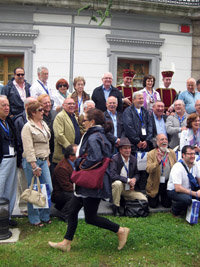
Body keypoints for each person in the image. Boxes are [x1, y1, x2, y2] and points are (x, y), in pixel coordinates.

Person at [48, 108, 130, 252]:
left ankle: (120, 230)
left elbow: (95, 158)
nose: (83, 123)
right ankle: (66, 242)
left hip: (90, 183)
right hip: (88, 183)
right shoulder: (99, 134)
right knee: (72, 211)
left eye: (84, 120)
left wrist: (80, 164)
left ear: (92, 122)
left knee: (90, 218)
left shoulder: (93, 136)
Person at [21, 101, 52, 226]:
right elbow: (28, 148)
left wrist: (48, 158)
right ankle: (34, 218)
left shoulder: (43, 124)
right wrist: (34, 166)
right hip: (33, 162)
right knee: (34, 190)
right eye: (40, 110)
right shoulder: (27, 127)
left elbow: (46, 143)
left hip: (44, 161)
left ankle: (45, 215)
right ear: (33, 113)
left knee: (48, 188)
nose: (43, 112)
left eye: (43, 110)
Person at [123, 91, 153, 190]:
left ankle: (142, 188)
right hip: (134, 145)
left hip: (145, 145)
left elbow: (150, 127)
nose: (141, 100)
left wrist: (147, 141)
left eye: (142, 98)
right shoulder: (128, 111)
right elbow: (128, 127)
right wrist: (137, 141)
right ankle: (133, 189)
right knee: (134, 167)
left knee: (144, 167)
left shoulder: (145, 111)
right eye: (139, 98)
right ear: (133, 100)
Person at [110, 137, 147, 216]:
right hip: (118, 187)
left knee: (144, 199)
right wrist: (127, 180)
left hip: (129, 188)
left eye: (129, 148)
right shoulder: (115, 159)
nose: (128, 150)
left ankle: (124, 201)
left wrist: (134, 180)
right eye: (125, 148)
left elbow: (137, 174)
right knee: (117, 183)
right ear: (120, 150)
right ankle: (115, 207)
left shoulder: (133, 159)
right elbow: (113, 175)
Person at [13, 97, 37, 214]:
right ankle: (23, 207)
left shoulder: (36, 119)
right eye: (34, 105)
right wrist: (20, 161)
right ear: (27, 107)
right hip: (23, 157)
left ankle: (33, 205)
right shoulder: (20, 120)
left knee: (32, 183)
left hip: (34, 157)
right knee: (23, 182)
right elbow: (18, 141)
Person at [0, 95, 19, 226]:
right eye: (3, 105)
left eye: (7, 105)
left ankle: (7, 217)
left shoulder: (9, 121)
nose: (7, 108)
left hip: (12, 159)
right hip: (2, 161)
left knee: (11, 189)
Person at [167, 145, 200, 216]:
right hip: (174, 191)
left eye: (194, 154)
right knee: (187, 200)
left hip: (189, 189)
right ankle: (174, 210)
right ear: (183, 155)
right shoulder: (178, 167)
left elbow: (199, 179)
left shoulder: (195, 164)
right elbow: (178, 188)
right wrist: (195, 194)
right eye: (190, 154)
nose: (193, 156)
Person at [146, 134, 176, 208]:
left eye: (166, 139)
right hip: (155, 182)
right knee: (153, 205)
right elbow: (148, 169)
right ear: (157, 142)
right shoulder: (151, 154)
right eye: (162, 139)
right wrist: (157, 163)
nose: (164, 141)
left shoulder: (171, 152)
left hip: (167, 182)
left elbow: (175, 167)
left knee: (167, 205)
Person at [51, 144, 77, 222]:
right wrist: (80, 190)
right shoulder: (62, 168)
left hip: (66, 191)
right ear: (71, 156)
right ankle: (65, 215)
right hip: (59, 194)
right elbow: (66, 187)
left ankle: (60, 207)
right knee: (75, 196)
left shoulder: (74, 163)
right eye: (78, 153)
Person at [53, 98, 81, 165]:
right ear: (63, 105)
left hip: (74, 154)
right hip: (65, 153)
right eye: (69, 104)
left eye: (73, 104)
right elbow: (59, 135)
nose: (72, 105)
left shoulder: (74, 116)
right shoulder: (60, 117)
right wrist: (70, 148)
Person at [37, 94, 57, 169]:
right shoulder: (38, 116)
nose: (48, 104)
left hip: (54, 149)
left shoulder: (55, 113)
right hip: (44, 151)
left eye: (49, 102)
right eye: (45, 103)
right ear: (40, 104)